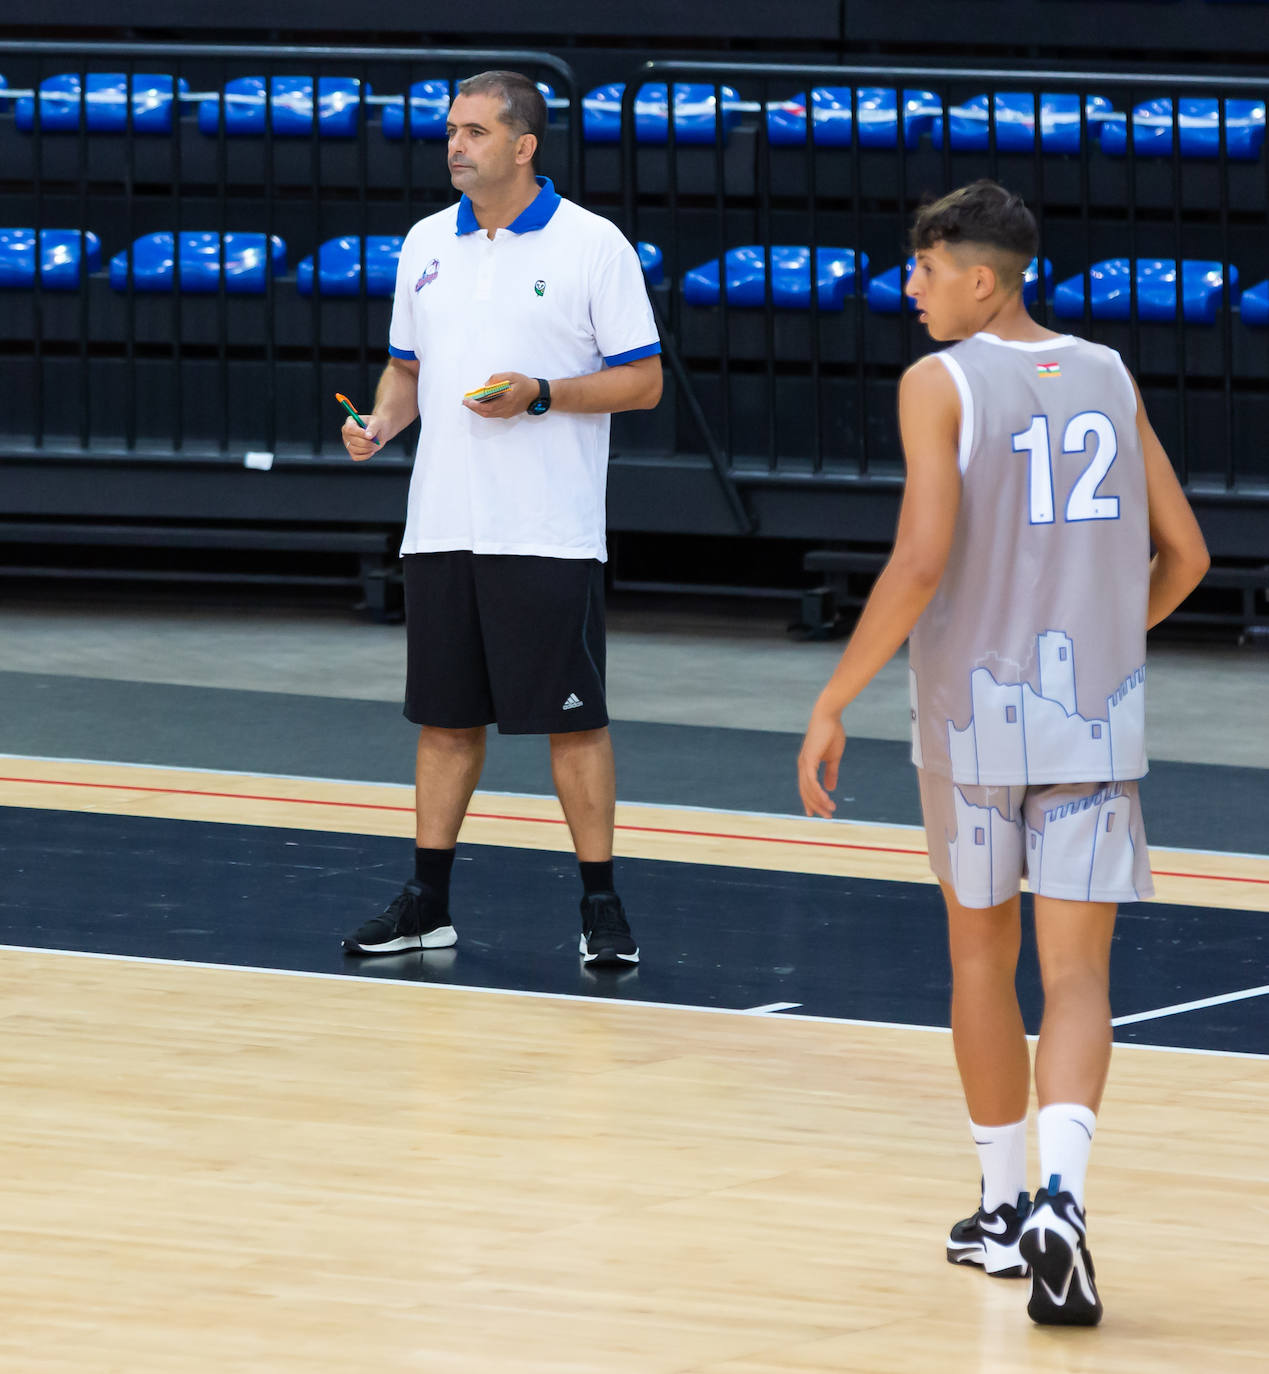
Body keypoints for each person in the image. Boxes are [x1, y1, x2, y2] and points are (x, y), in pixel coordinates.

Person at [797, 180, 1209, 1326]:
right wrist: (1110, 640)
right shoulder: (1110, 373)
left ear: (982, 278)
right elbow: (1186, 553)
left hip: (976, 715)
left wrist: (834, 695)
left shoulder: (940, 382)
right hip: (1094, 711)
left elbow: (921, 559)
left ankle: (998, 1207)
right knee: (1079, 975)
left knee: (982, 961)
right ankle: (1063, 1202)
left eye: (924, 270)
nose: (910, 289)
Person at [339, 70, 662, 966]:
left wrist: (541, 394)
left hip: (545, 529)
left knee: (572, 723)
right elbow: (406, 372)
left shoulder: (593, 245)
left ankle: (600, 904)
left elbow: (643, 380)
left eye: (475, 132)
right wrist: (379, 423)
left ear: (524, 146)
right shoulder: (423, 243)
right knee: (444, 722)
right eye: (451, 130)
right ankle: (426, 903)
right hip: (442, 522)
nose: (455, 146)